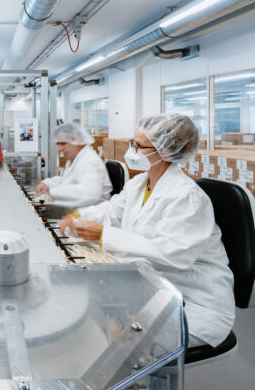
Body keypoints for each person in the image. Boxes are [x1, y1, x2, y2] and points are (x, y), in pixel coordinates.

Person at [60, 114, 235, 348]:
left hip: (195, 306)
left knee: (111, 344)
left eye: (139, 146)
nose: (131, 151)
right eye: (132, 144)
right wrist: (77, 216)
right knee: (96, 312)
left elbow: (170, 253)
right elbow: (113, 211)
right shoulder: (140, 183)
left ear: (166, 150)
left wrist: (104, 235)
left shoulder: (187, 197)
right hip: (154, 290)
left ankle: (138, 379)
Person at [34, 122, 112, 208]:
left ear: (77, 140)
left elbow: (89, 194)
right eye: (57, 144)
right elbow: (67, 180)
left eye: (63, 143)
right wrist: (48, 183)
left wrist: (53, 193)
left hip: (92, 214)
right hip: (78, 210)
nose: (59, 149)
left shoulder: (91, 161)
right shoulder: (74, 159)